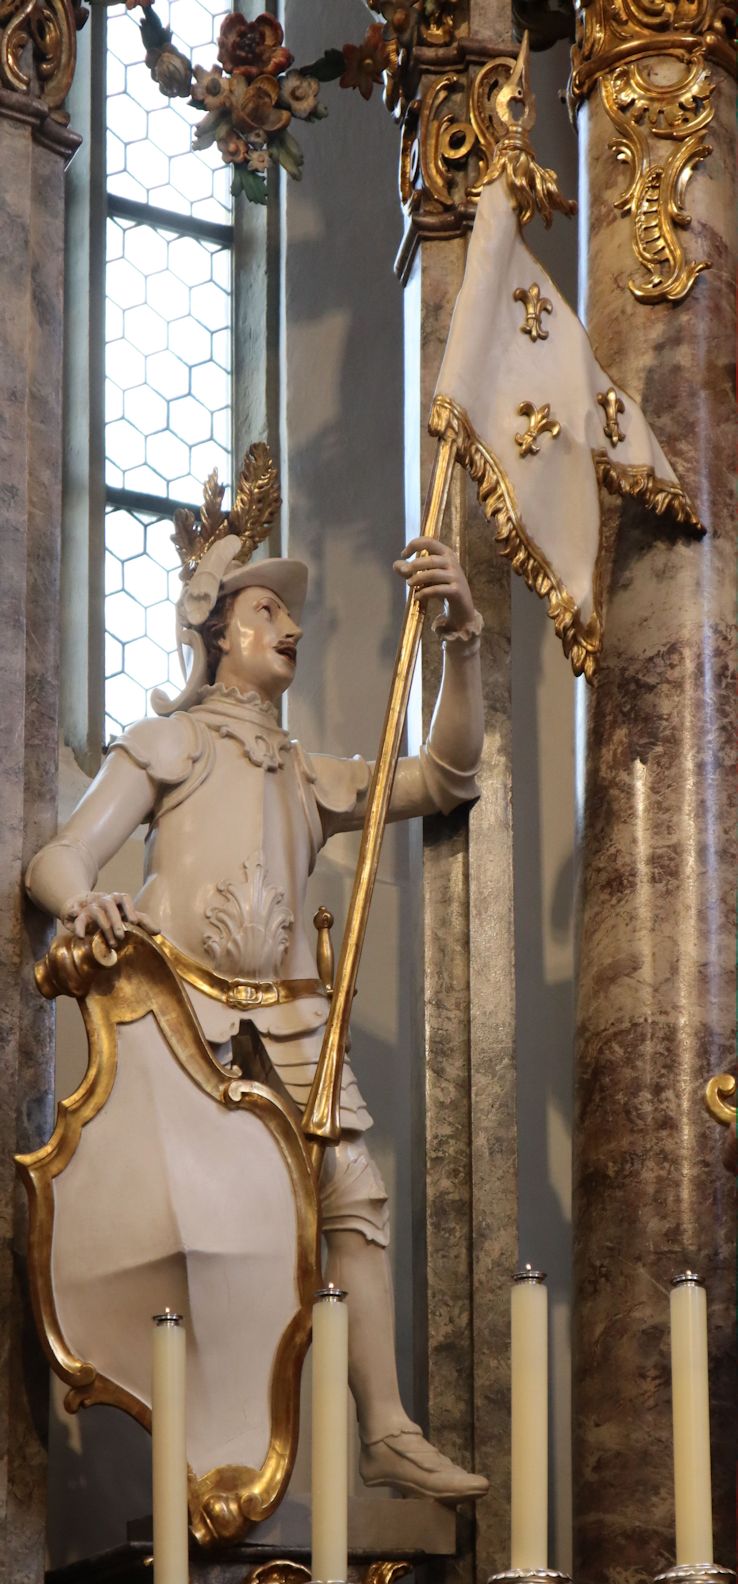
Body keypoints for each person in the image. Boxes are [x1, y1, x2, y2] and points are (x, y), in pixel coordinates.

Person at [26, 492, 487, 1502]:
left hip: (286, 1018)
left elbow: (446, 775)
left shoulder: (304, 772)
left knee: (352, 1196)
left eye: (288, 614)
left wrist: (461, 641)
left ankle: (389, 1426)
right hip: (179, 1021)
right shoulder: (170, 744)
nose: (289, 625)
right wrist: (88, 898)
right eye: (266, 612)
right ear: (217, 635)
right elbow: (56, 857)